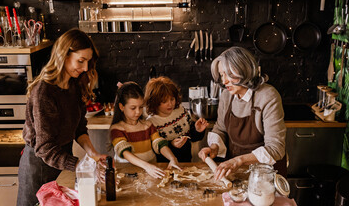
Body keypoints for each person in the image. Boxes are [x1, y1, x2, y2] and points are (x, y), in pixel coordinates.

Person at [15, 29, 107, 206]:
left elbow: (79, 127)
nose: (85, 68)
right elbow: (45, 148)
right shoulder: (44, 92)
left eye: (88, 62)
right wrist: (81, 166)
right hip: (39, 165)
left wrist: (92, 154)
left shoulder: (74, 85)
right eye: (80, 61)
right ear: (63, 55)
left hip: (62, 160)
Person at [198, 46, 286, 181]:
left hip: (265, 174)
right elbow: (220, 129)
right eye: (222, 74)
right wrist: (214, 148)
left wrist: (238, 161)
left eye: (230, 74)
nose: (224, 81)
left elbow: (276, 148)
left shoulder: (267, 96)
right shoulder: (227, 96)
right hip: (234, 171)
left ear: (245, 70)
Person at [109, 81, 181, 179]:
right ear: (122, 107)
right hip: (127, 174)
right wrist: (147, 166)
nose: (138, 112)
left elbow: (159, 143)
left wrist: (172, 158)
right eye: (133, 108)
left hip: (150, 173)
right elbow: (125, 152)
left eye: (141, 107)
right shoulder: (117, 129)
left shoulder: (147, 125)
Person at [145, 76, 209, 162]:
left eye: (172, 99)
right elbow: (154, 150)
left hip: (186, 162)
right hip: (165, 166)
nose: (170, 104)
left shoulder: (181, 111)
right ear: (154, 103)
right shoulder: (151, 123)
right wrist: (171, 145)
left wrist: (198, 130)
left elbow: (193, 138)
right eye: (164, 101)